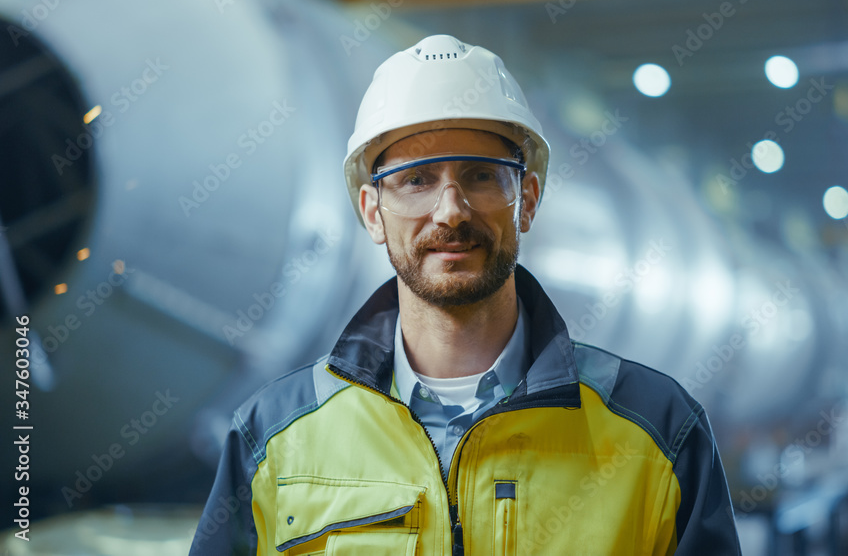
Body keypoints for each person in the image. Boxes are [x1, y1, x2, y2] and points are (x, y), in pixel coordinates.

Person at [190, 34, 741, 555]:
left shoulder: (658, 430)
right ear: (371, 212)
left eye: (481, 176)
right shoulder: (273, 438)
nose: (451, 211)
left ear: (526, 199)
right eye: (416, 180)